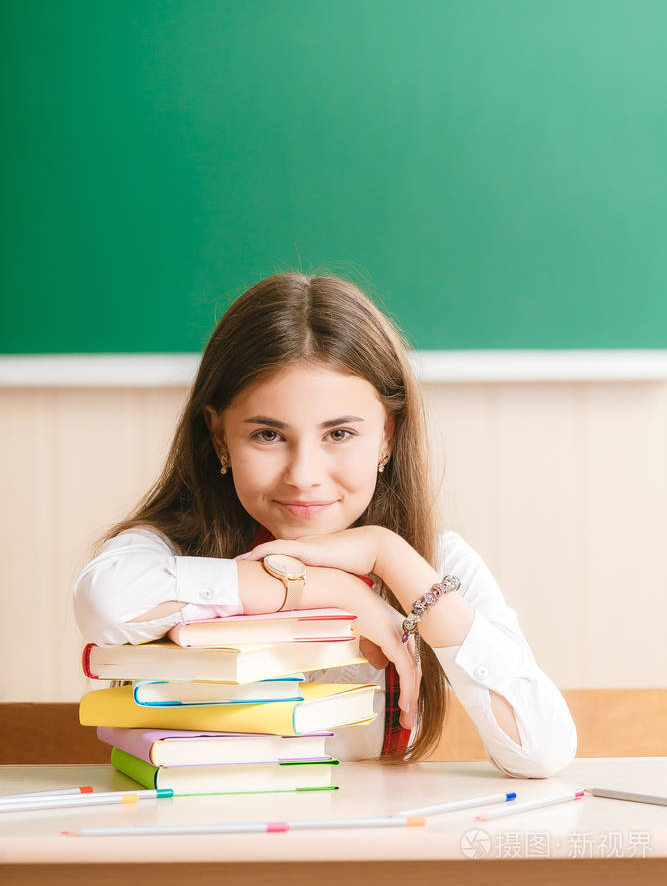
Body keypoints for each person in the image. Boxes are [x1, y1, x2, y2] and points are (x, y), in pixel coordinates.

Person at [73, 271, 577, 775]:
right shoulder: (169, 547)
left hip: (373, 823)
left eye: (338, 434)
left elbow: (541, 752)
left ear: (387, 436)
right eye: (268, 435)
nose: (304, 476)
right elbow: (105, 600)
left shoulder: (431, 562)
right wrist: (327, 589)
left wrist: (388, 554)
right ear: (220, 436)